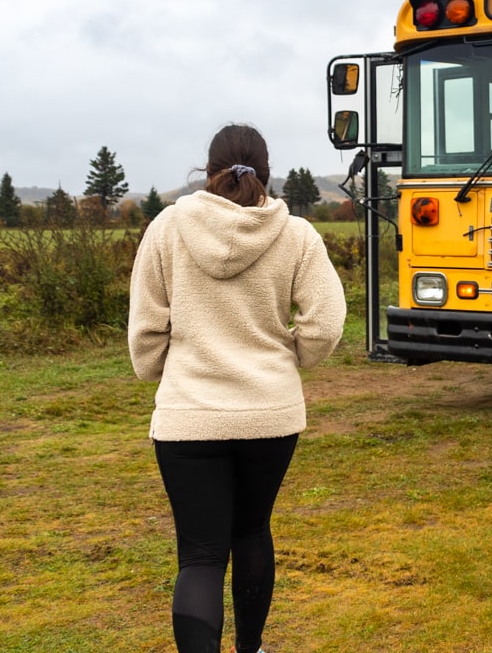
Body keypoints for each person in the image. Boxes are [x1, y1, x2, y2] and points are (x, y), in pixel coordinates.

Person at [129, 124, 347, 653]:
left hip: (188, 418)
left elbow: (145, 332)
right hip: (270, 416)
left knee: (201, 556)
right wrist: (286, 359)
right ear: (266, 175)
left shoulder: (165, 228)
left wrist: (168, 369)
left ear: (209, 172)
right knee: (251, 532)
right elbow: (327, 322)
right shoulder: (297, 235)